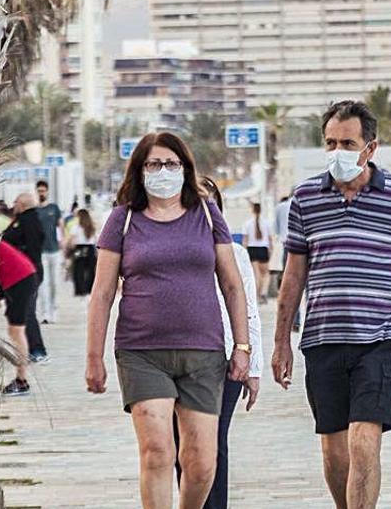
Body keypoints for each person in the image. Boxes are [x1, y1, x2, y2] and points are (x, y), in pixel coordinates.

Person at [271, 101, 391, 509]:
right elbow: (293, 275)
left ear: (370, 148)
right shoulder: (305, 197)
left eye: (347, 142)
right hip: (321, 340)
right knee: (334, 452)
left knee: (363, 443)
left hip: (377, 340)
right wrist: (280, 342)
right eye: (330, 142)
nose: (337, 150)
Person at [85, 132, 251, 509]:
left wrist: (243, 346)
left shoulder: (207, 214)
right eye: (154, 164)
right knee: (158, 451)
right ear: (140, 171)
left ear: (185, 169)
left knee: (202, 462)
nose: (164, 171)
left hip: (204, 353)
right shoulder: (123, 220)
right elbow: (102, 294)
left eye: (172, 164)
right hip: (141, 352)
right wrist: (94, 357)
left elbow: (232, 284)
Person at [171, 177, 265, 509]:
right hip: (178, 361)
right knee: (183, 445)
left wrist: (253, 367)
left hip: (226, 361)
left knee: (214, 443)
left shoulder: (236, 254)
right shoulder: (173, 251)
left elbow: (249, 310)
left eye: (209, 203)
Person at [3, 192, 48, 363]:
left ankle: (38, 350)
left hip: (29, 273)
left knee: (28, 312)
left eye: (15, 201)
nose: (13, 204)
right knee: (23, 311)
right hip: (23, 273)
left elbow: (32, 247)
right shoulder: (23, 220)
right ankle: (28, 348)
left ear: (22, 204)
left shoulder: (29, 221)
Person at [0, 238, 38, 397]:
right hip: (22, 278)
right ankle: (21, 379)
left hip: (20, 281)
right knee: (15, 331)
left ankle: (21, 381)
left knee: (16, 331)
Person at [33, 180, 64, 324]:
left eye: (43, 191)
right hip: (40, 252)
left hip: (54, 251)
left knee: (55, 283)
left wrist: (63, 242)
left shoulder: (54, 208)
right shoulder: (34, 210)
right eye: (39, 191)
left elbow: (61, 226)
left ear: (47, 192)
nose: (41, 193)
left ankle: (54, 312)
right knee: (42, 283)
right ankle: (44, 313)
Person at [241, 202, 272, 303]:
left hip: (252, 249)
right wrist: (270, 251)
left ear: (252, 210)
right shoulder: (267, 223)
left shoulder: (247, 223)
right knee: (266, 274)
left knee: (256, 274)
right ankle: (263, 292)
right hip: (263, 249)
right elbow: (270, 240)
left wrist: (244, 253)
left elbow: (245, 241)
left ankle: (257, 297)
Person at [65, 209, 99, 297]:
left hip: (79, 249)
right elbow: (96, 240)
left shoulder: (76, 227)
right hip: (90, 249)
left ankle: (80, 290)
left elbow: (71, 241)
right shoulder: (92, 227)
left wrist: (68, 249)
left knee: (78, 269)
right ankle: (89, 288)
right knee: (91, 270)